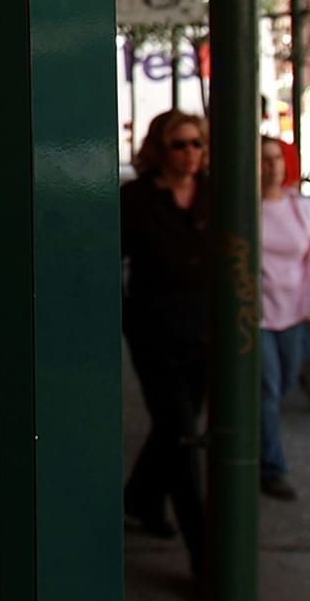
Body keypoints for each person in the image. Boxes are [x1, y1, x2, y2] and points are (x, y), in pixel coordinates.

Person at [121, 109, 209, 580]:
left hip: (206, 332)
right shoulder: (135, 199)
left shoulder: (216, 193)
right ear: (160, 149)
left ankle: (141, 498)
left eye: (197, 143)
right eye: (180, 144)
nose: (190, 153)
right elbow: (108, 259)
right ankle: (205, 556)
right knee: (181, 436)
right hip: (156, 334)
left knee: (177, 426)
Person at [259, 136, 310, 500]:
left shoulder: (299, 207)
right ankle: (272, 466)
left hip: (293, 312)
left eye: (277, 158)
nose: (272, 166)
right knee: (268, 389)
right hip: (257, 315)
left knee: (287, 381)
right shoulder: (243, 208)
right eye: (263, 159)